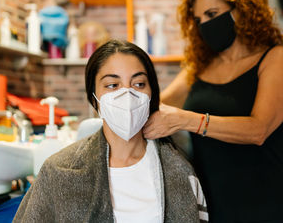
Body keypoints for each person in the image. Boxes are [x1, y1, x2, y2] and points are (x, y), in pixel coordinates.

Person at [143, 0, 283, 223]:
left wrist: (187, 120)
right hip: (213, 196)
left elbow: (258, 130)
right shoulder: (198, 67)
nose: (205, 24)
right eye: (198, 20)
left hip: (267, 197)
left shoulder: (274, 58)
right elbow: (159, 106)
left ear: (241, 11)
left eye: (212, 14)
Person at [14, 40, 208, 223]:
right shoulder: (60, 171)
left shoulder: (180, 172)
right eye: (112, 85)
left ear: (152, 94)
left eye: (138, 84)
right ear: (94, 99)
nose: (127, 94)